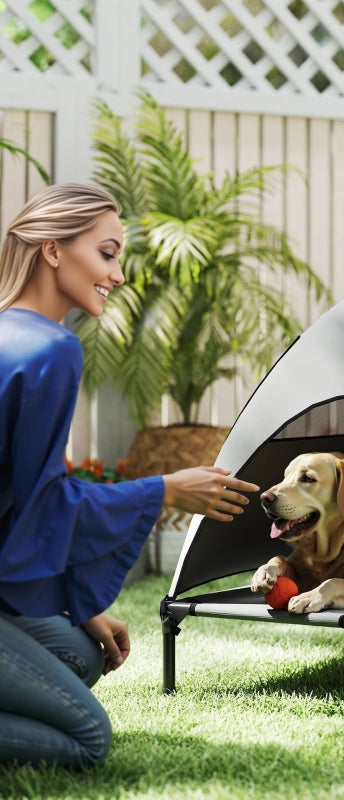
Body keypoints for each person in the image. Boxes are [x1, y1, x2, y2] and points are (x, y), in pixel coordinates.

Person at [0, 183, 260, 768]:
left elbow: (15, 511)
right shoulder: (49, 350)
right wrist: (166, 489)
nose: (117, 276)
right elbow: (47, 507)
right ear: (53, 251)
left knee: (79, 651)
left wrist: (83, 608)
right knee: (88, 739)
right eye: (108, 253)